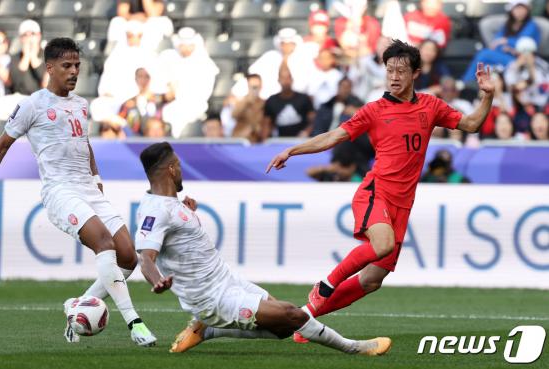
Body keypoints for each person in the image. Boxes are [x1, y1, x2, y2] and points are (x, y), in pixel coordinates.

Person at [266, 40, 495, 343]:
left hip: (403, 203)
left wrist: (487, 96)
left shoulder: (431, 105)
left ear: (416, 73)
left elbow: (471, 124)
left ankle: (306, 317)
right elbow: (334, 136)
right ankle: (325, 285)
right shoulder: (374, 110)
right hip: (376, 193)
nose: (394, 76)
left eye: (401, 71)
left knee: (373, 280)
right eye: (390, 70)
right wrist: (293, 150)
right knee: (383, 244)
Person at [0, 38, 157, 347]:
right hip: (60, 191)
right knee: (104, 244)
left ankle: (76, 308)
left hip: (88, 189)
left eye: (77, 65)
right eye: (67, 66)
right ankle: (135, 323)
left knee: (129, 257)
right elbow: (1, 147)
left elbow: (84, 143)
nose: (74, 71)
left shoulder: (81, 105)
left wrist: (96, 176)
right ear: (49, 68)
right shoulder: (32, 105)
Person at [134, 142, 392, 355]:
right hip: (212, 299)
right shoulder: (156, 211)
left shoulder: (171, 203)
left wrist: (187, 212)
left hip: (227, 279)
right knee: (293, 315)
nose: (181, 171)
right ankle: (356, 348)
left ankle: (206, 330)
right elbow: (146, 257)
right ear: (170, 169)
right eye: (178, 166)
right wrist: (157, 280)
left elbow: (175, 231)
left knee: (283, 328)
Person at [461, 0, 540, 82]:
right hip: (504, 56)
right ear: (511, 10)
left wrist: (507, 42)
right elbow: (497, 41)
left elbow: (523, 45)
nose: (519, 12)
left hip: (519, 61)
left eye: (522, 9)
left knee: (484, 54)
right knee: (485, 65)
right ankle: (471, 88)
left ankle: (465, 82)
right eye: (517, 9)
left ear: (527, 10)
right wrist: (505, 45)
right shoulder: (508, 24)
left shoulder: (531, 26)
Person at [0, 20, 46, 122]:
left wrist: (33, 59)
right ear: (21, 39)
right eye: (25, 35)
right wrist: (25, 58)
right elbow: (16, 83)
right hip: (21, 99)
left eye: (32, 34)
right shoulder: (16, 57)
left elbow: (47, 84)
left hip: (41, 100)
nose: (29, 38)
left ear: (39, 36)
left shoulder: (48, 56)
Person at [262, 65, 315, 139]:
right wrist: (265, 141)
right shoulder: (271, 100)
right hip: (278, 141)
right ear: (278, 80)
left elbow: (313, 121)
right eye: (283, 78)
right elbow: (266, 123)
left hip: (301, 141)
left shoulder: (303, 98)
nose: (285, 81)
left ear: (292, 79)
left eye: (288, 78)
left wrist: (306, 132)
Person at [231, 74, 265, 143]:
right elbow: (234, 115)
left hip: (257, 142)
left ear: (261, 86)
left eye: (256, 86)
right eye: (252, 87)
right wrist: (247, 101)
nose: (254, 89)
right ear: (248, 86)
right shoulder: (241, 101)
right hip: (240, 140)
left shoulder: (264, 103)